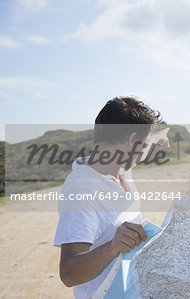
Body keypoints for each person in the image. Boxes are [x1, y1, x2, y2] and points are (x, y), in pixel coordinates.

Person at [53, 96, 165, 299]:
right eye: (144, 144)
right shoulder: (81, 191)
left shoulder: (120, 172)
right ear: (132, 140)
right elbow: (68, 273)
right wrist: (112, 247)